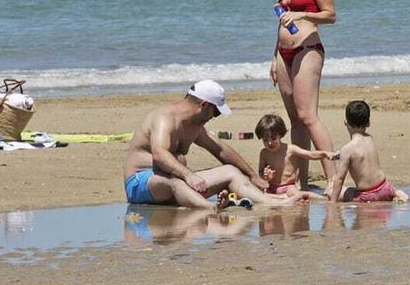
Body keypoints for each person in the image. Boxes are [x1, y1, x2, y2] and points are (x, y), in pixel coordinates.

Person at [123, 80, 289, 209]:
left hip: (177, 185)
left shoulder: (195, 126)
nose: (214, 116)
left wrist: (253, 176)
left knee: (231, 171)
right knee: (175, 181)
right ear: (204, 105)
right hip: (140, 183)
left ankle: (270, 202)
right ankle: (211, 209)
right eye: (215, 112)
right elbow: (160, 154)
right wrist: (189, 175)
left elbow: (220, 149)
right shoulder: (164, 118)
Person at [264, 0, 342, 199]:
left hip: (307, 48)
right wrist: (275, 56)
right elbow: (281, 19)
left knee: (308, 116)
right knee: (295, 120)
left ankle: (333, 178)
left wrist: (300, 14)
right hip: (284, 53)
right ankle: (302, 180)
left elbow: (331, 14)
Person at [331, 100, 409, 202]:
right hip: (385, 188)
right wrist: (340, 154)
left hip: (367, 195)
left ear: (345, 122)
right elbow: (361, 153)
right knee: (387, 191)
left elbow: (339, 179)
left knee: (333, 191)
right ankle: (396, 193)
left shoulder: (347, 149)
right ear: (368, 123)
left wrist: (332, 202)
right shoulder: (369, 139)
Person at [254, 113, 333, 200]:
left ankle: (324, 199)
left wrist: (325, 154)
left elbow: (310, 154)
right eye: (265, 140)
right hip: (272, 187)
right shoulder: (264, 153)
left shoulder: (290, 149)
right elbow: (261, 172)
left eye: (273, 138)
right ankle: (283, 198)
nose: (270, 143)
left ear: (280, 135)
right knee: (259, 194)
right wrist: (266, 176)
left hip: (289, 186)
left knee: (294, 194)